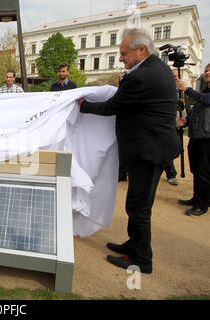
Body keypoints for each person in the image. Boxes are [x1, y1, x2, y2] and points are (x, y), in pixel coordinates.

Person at [77, 28, 180, 274]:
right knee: (138, 204)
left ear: (141, 49)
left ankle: (142, 260)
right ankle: (133, 245)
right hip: (153, 147)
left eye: (124, 53)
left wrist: (84, 106)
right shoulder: (159, 68)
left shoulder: (140, 76)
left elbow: (114, 106)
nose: (121, 58)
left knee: (138, 207)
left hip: (147, 150)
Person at [176, 63, 210, 216]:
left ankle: (202, 205)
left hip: (207, 138)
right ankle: (197, 198)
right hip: (197, 135)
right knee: (196, 170)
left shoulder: (204, 94)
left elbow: (206, 100)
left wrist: (187, 89)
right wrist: (187, 121)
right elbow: (197, 108)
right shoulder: (204, 91)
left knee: (204, 172)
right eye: (207, 70)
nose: (207, 73)